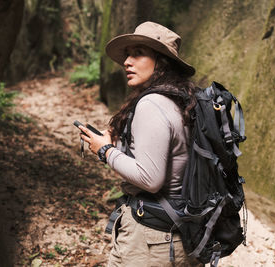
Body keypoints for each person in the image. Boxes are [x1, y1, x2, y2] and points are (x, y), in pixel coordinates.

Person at [79, 21, 203, 267]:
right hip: (180, 233)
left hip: (152, 243)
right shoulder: (182, 99)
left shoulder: (152, 104)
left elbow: (150, 178)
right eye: (127, 54)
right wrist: (119, 144)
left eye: (138, 53)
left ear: (161, 61)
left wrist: (105, 151)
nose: (127, 61)